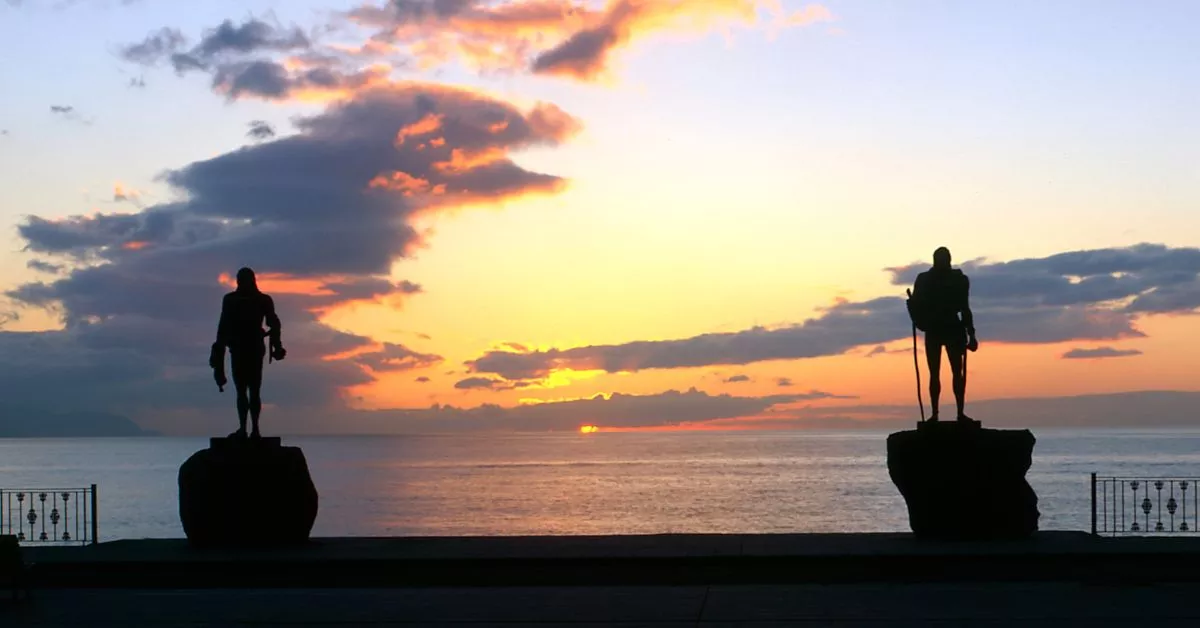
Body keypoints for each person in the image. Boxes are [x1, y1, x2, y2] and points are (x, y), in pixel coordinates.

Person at [210, 267, 285, 438]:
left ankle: (252, 429)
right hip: (241, 348)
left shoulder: (258, 300)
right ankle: (247, 429)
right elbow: (223, 328)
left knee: (250, 389)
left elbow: (274, 323)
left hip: (248, 348)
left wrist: (277, 345)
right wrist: (218, 353)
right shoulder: (235, 300)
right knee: (245, 390)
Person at [908, 247, 977, 422]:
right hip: (934, 329)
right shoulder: (924, 279)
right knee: (934, 373)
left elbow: (965, 308)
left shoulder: (959, 279)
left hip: (953, 328)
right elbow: (917, 306)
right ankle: (935, 413)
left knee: (957, 373)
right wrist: (914, 312)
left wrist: (971, 334)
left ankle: (960, 413)